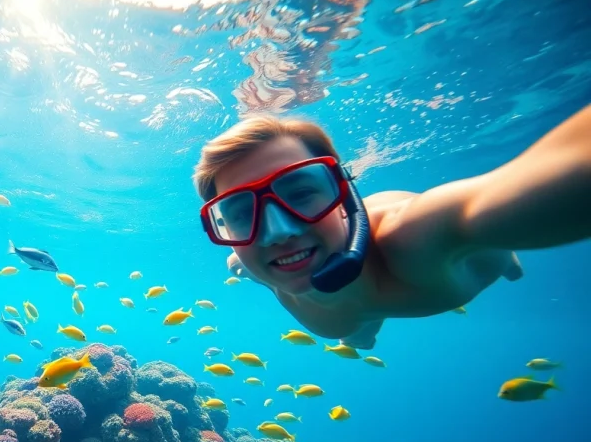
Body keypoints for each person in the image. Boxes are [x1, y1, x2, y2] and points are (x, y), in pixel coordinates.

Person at [194, 105, 591, 349]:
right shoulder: (253, 263)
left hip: (473, 253)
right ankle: (364, 333)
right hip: (359, 295)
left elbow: (480, 206)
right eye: (241, 212)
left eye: (300, 192)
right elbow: (241, 260)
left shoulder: (417, 237)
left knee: (503, 256)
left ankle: (509, 261)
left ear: (345, 191)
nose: (277, 232)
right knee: (358, 333)